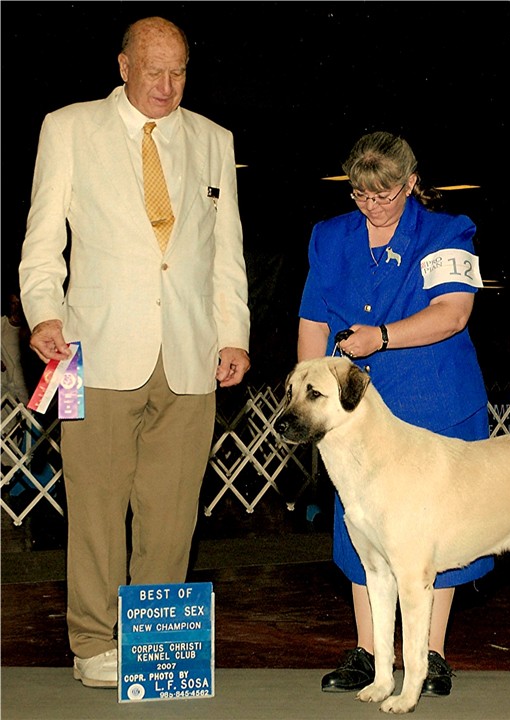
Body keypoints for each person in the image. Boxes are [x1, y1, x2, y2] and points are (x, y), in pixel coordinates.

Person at [18, 16, 251, 689]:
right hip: (85, 351)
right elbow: (42, 244)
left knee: (173, 511)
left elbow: (224, 255)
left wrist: (232, 333)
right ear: (123, 66)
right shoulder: (67, 128)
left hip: (190, 355)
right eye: (154, 71)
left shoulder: (214, 140)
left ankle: (152, 644)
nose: (167, 85)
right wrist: (43, 316)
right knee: (93, 505)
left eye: (178, 72)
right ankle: (92, 641)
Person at [297, 131, 494, 697]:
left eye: (386, 194)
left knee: (439, 531)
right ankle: (371, 653)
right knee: (360, 528)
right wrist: (307, 391)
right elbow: (314, 318)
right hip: (355, 415)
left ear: (411, 182)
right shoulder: (328, 237)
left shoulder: (446, 231)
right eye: (361, 194)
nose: (373, 205)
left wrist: (380, 337)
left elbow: (453, 314)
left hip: (436, 401)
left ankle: (429, 656)